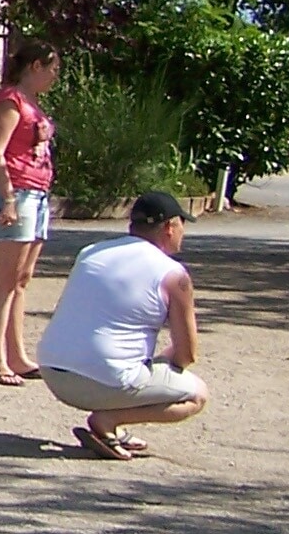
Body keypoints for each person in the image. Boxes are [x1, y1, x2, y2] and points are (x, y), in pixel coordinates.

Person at [36, 191, 209, 460]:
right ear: (169, 227)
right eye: (181, 225)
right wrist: (159, 364)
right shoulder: (174, 275)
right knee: (196, 394)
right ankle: (107, 420)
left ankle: (112, 424)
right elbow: (187, 355)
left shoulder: (90, 252)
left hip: (52, 370)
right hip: (103, 380)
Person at [0, 40, 61, 384]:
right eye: (52, 68)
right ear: (35, 66)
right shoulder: (10, 102)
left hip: (38, 193)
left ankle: (17, 354)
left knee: (21, 279)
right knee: (6, 278)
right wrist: (9, 198)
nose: (55, 76)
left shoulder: (32, 104)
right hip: (16, 192)